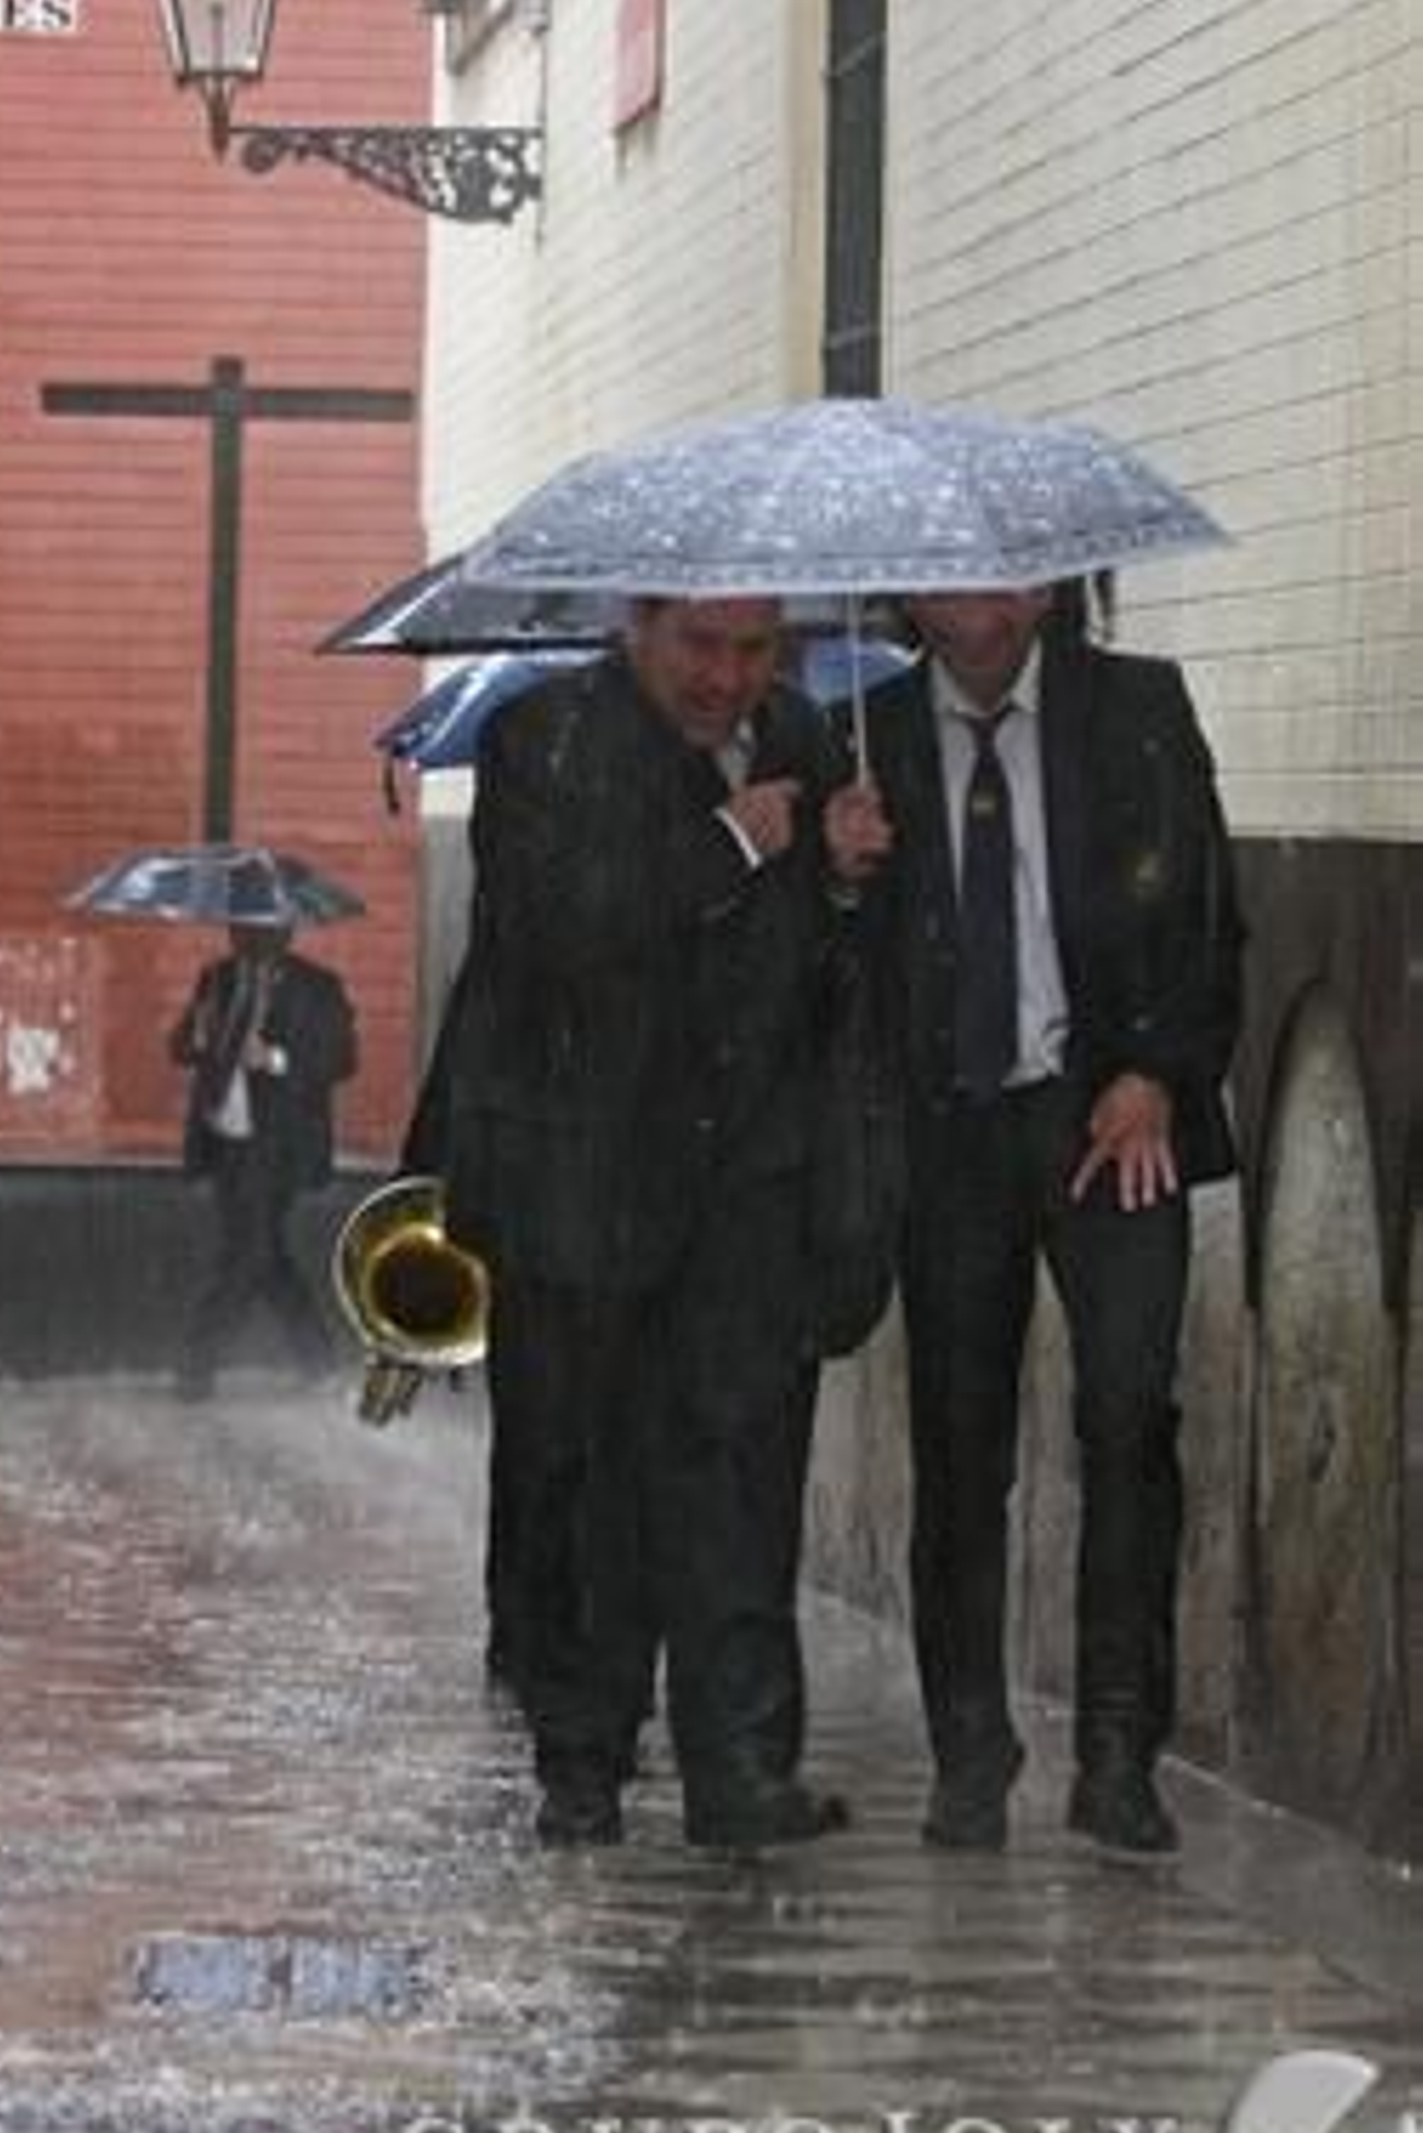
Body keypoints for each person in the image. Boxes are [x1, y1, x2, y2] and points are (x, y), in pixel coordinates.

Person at [422, 596, 888, 1849]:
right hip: (588, 1184)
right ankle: (584, 1763)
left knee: (742, 1477)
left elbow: (824, 975)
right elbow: (555, 936)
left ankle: (742, 1771)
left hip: (749, 1189)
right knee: (591, 1481)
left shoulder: (804, 733)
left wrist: (844, 885)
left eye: (751, 652)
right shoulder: (544, 739)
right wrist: (726, 848)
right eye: (701, 648)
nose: (726, 681)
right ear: (639, 627)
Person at [850, 576, 1243, 1857]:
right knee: (960, 1448)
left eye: (1015, 578)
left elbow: (1205, 919)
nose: (988, 607)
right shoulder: (863, 734)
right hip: (949, 1130)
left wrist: (1155, 1073)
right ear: (913, 599)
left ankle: (1121, 1753)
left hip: (1107, 1120)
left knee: (1130, 1417)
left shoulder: (1135, 710)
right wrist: (836, 875)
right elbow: (815, 977)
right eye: (958, 583)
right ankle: (970, 1749)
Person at [170, 919, 358, 1400]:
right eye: (239, 930)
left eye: (259, 931)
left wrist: (275, 1059)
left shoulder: (318, 987)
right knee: (265, 1253)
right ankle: (317, 1360)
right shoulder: (217, 978)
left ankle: (196, 1366)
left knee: (245, 1253)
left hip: (282, 1145)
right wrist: (194, 1034)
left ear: (285, 934)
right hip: (227, 1137)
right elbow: (180, 1048)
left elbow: (341, 1059)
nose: (245, 940)